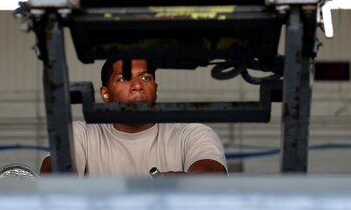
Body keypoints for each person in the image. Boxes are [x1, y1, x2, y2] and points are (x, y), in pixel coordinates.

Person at [39, 57, 227, 176]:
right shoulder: (81, 134)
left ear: (155, 89)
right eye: (123, 79)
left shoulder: (192, 133)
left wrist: (181, 184)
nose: (137, 86)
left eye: (146, 78)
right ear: (105, 94)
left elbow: (212, 176)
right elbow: (52, 176)